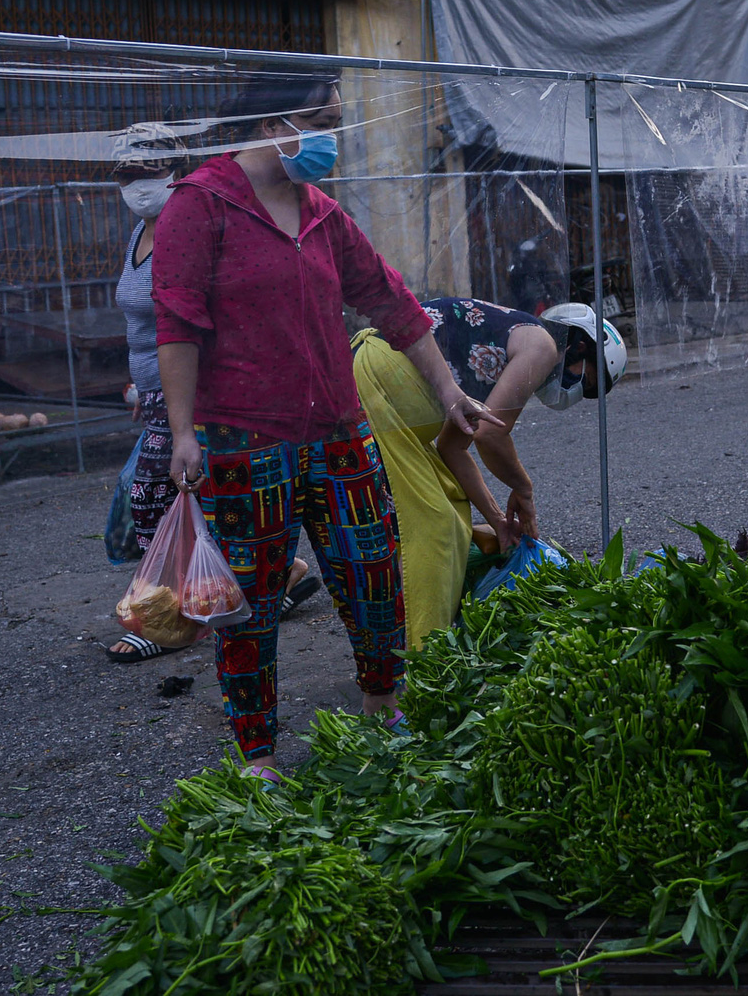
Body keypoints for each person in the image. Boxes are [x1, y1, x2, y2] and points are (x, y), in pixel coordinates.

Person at [154, 73, 498, 781]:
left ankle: (383, 705)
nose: (329, 137)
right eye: (320, 119)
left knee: (374, 577)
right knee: (250, 603)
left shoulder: (321, 213)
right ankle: (258, 753)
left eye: (334, 120)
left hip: (341, 432)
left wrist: (448, 387)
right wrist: (183, 431)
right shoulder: (201, 204)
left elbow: (392, 301)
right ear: (273, 123)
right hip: (243, 442)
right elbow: (178, 322)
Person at [103, 123, 309, 663]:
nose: (138, 182)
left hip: (196, 392)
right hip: (155, 394)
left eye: (149, 169)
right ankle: (274, 578)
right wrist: (143, 390)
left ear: (176, 170)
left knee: (151, 500)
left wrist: (182, 413)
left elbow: (196, 317)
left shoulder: (185, 221)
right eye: (126, 172)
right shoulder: (140, 231)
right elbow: (143, 323)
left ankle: (163, 615)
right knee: (200, 499)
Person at [351, 298, 625, 645]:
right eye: (583, 381)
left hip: (379, 373)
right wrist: (524, 490)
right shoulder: (543, 345)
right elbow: (491, 434)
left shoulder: (506, 341)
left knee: (442, 512)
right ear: (579, 345)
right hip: (384, 377)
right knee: (432, 526)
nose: (575, 392)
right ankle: (422, 656)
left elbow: (453, 448)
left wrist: (497, 519)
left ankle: (398, 642)